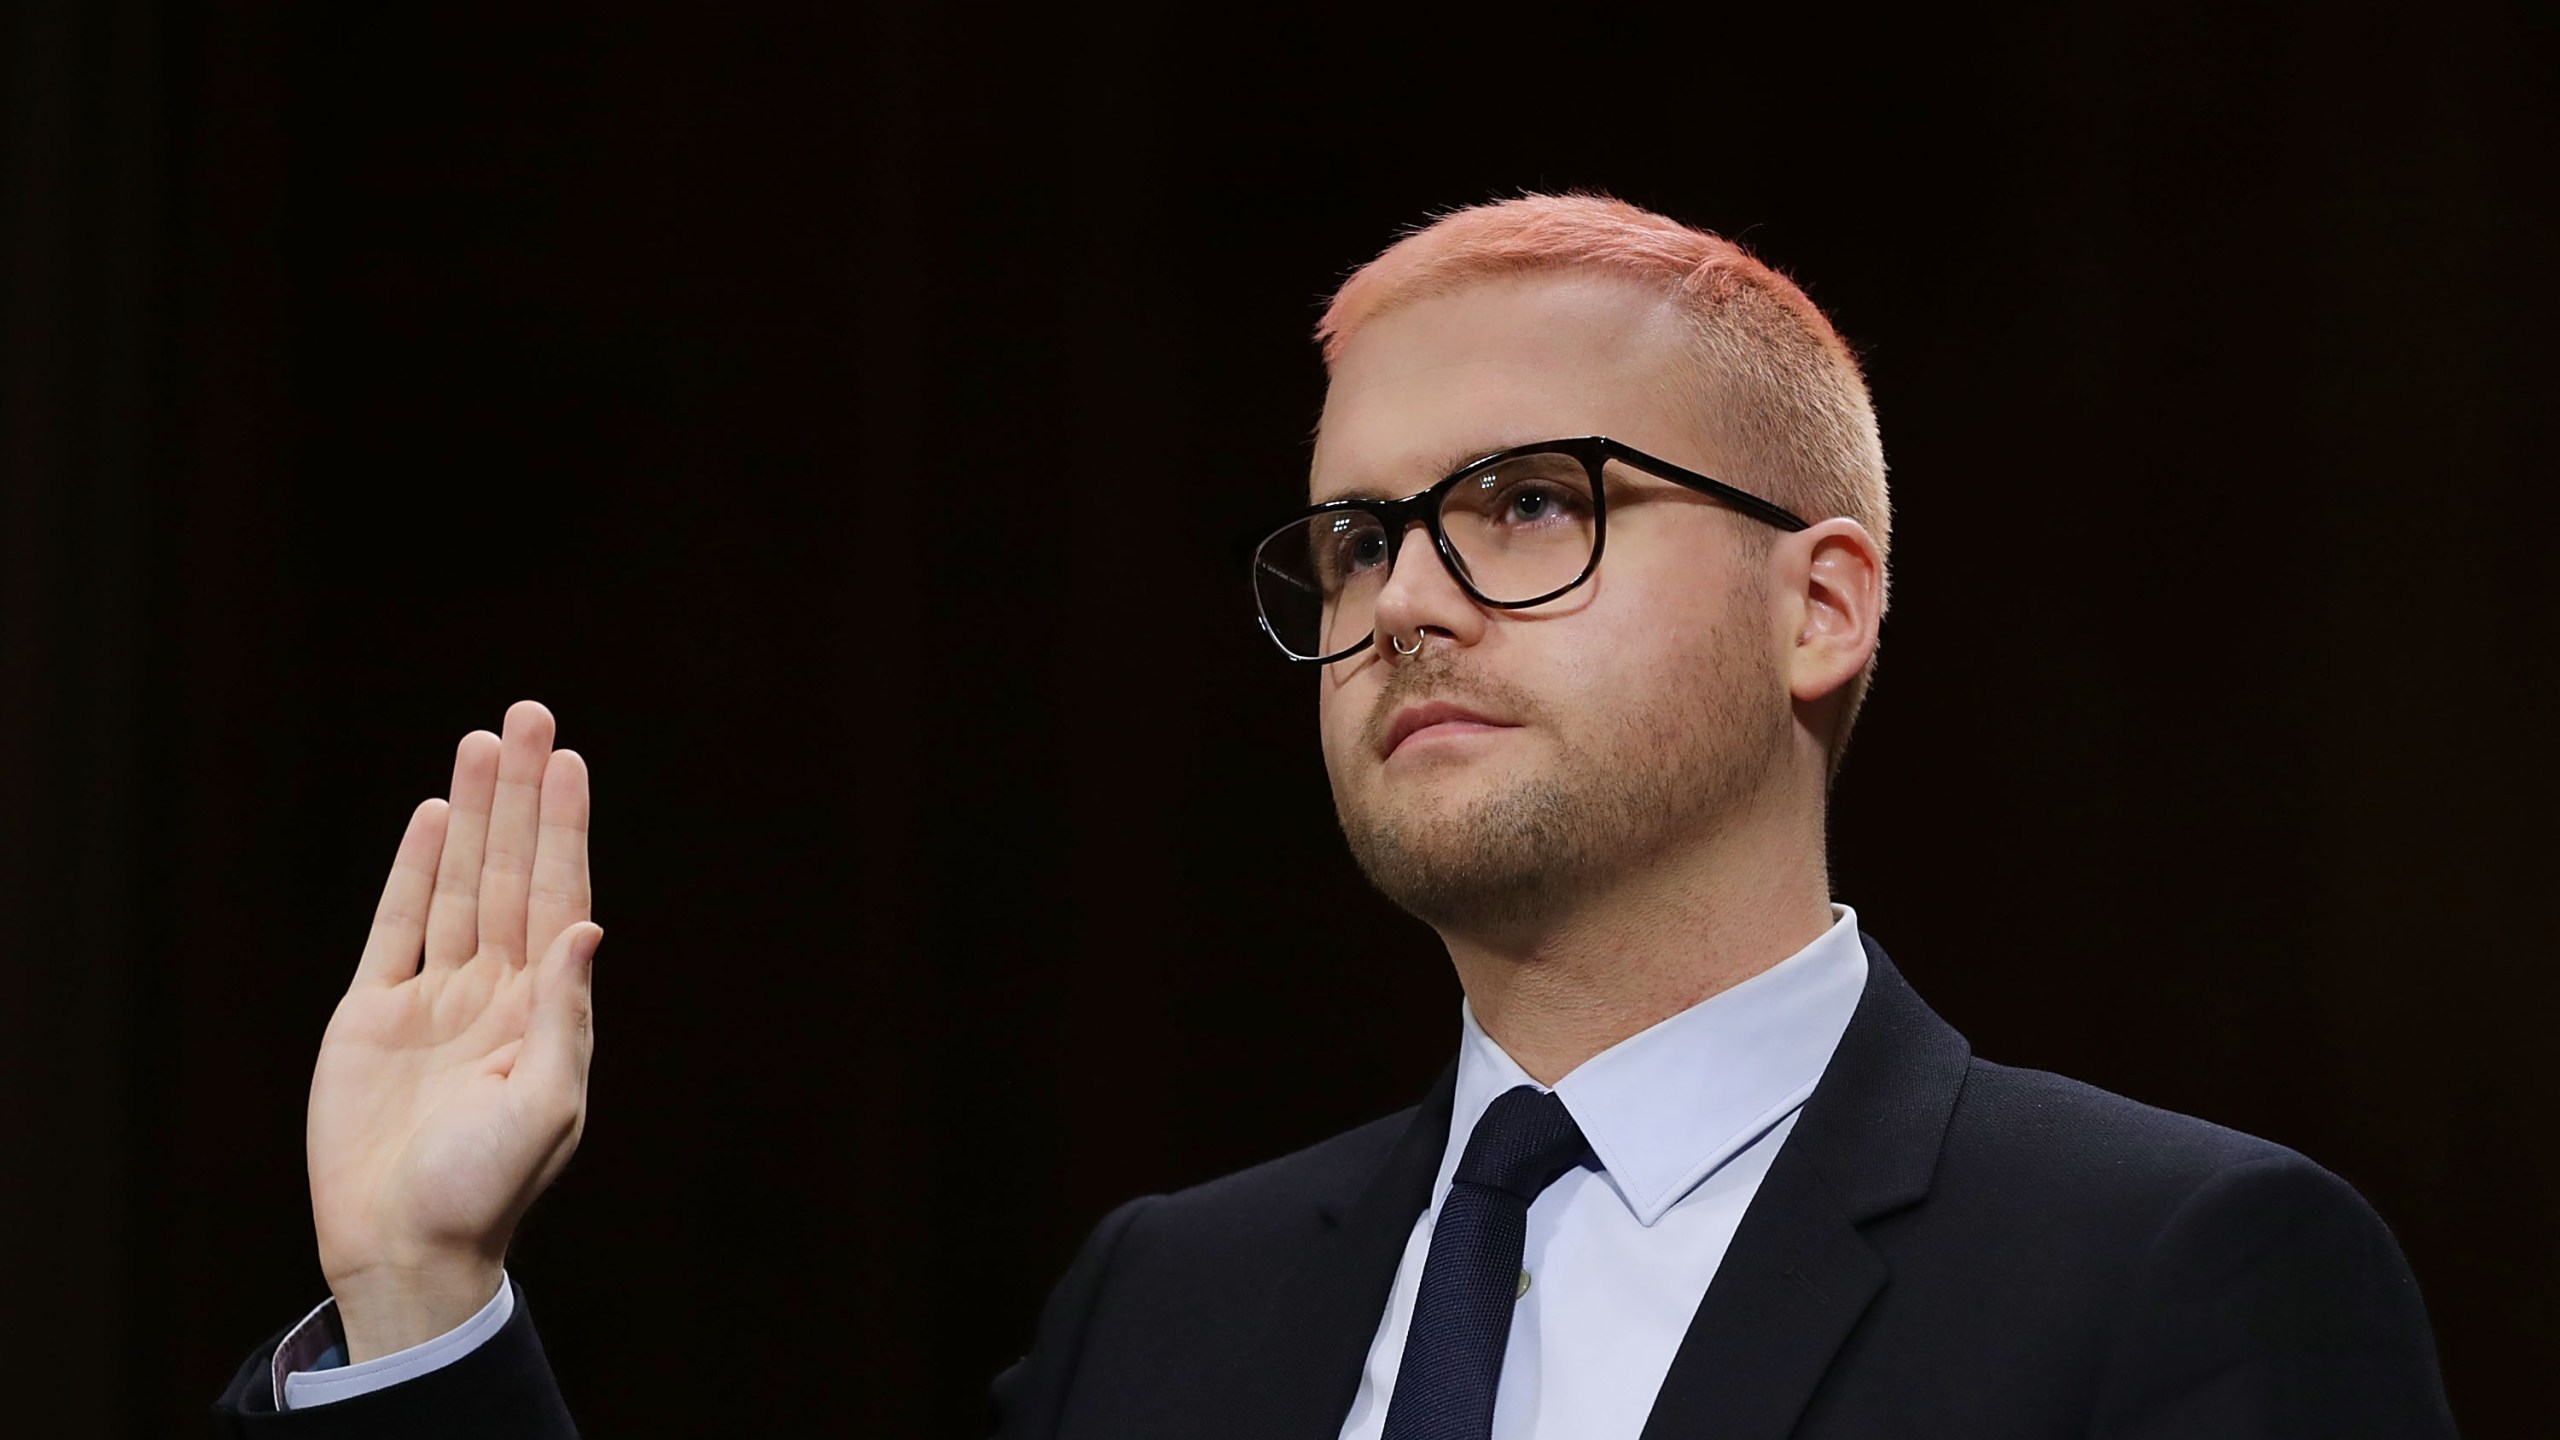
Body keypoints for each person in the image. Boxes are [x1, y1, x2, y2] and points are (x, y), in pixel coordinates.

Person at [211, 195, 2457, 1438]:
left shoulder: (2175, 1275)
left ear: (1822, 604)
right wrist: (422, 1303)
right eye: (1354, 542)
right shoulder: (1163, 1313)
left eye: (1525, 504)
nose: (1399, 603)